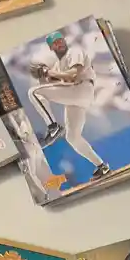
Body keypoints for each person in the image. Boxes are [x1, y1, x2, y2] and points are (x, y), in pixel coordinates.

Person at [27, 31, 110, 180]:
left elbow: (72, 75)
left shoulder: (74, 51)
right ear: (51, 48)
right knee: (72, 137)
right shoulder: (59, 64)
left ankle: (53, 127)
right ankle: (102, 166)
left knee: (33, 92)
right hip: (76, 99)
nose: (59, 43)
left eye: (60, 40)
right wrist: (43, 74)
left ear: (65, 40)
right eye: (55, 43)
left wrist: (48, 72)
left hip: (81, 88)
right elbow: (50, 84)